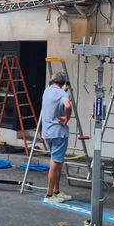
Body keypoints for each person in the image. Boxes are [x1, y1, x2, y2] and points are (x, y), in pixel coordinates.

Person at [40, 71, 72, 204]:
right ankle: (48, 194)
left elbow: (55, 93)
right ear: (63, 83)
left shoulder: (46, 91)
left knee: (58, 162)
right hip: (58, 132)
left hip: (47, 132)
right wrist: (67, 118)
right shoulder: (62, 94)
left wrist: (63, 90)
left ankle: (56, 191)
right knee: (55, 163)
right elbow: (68, 105)